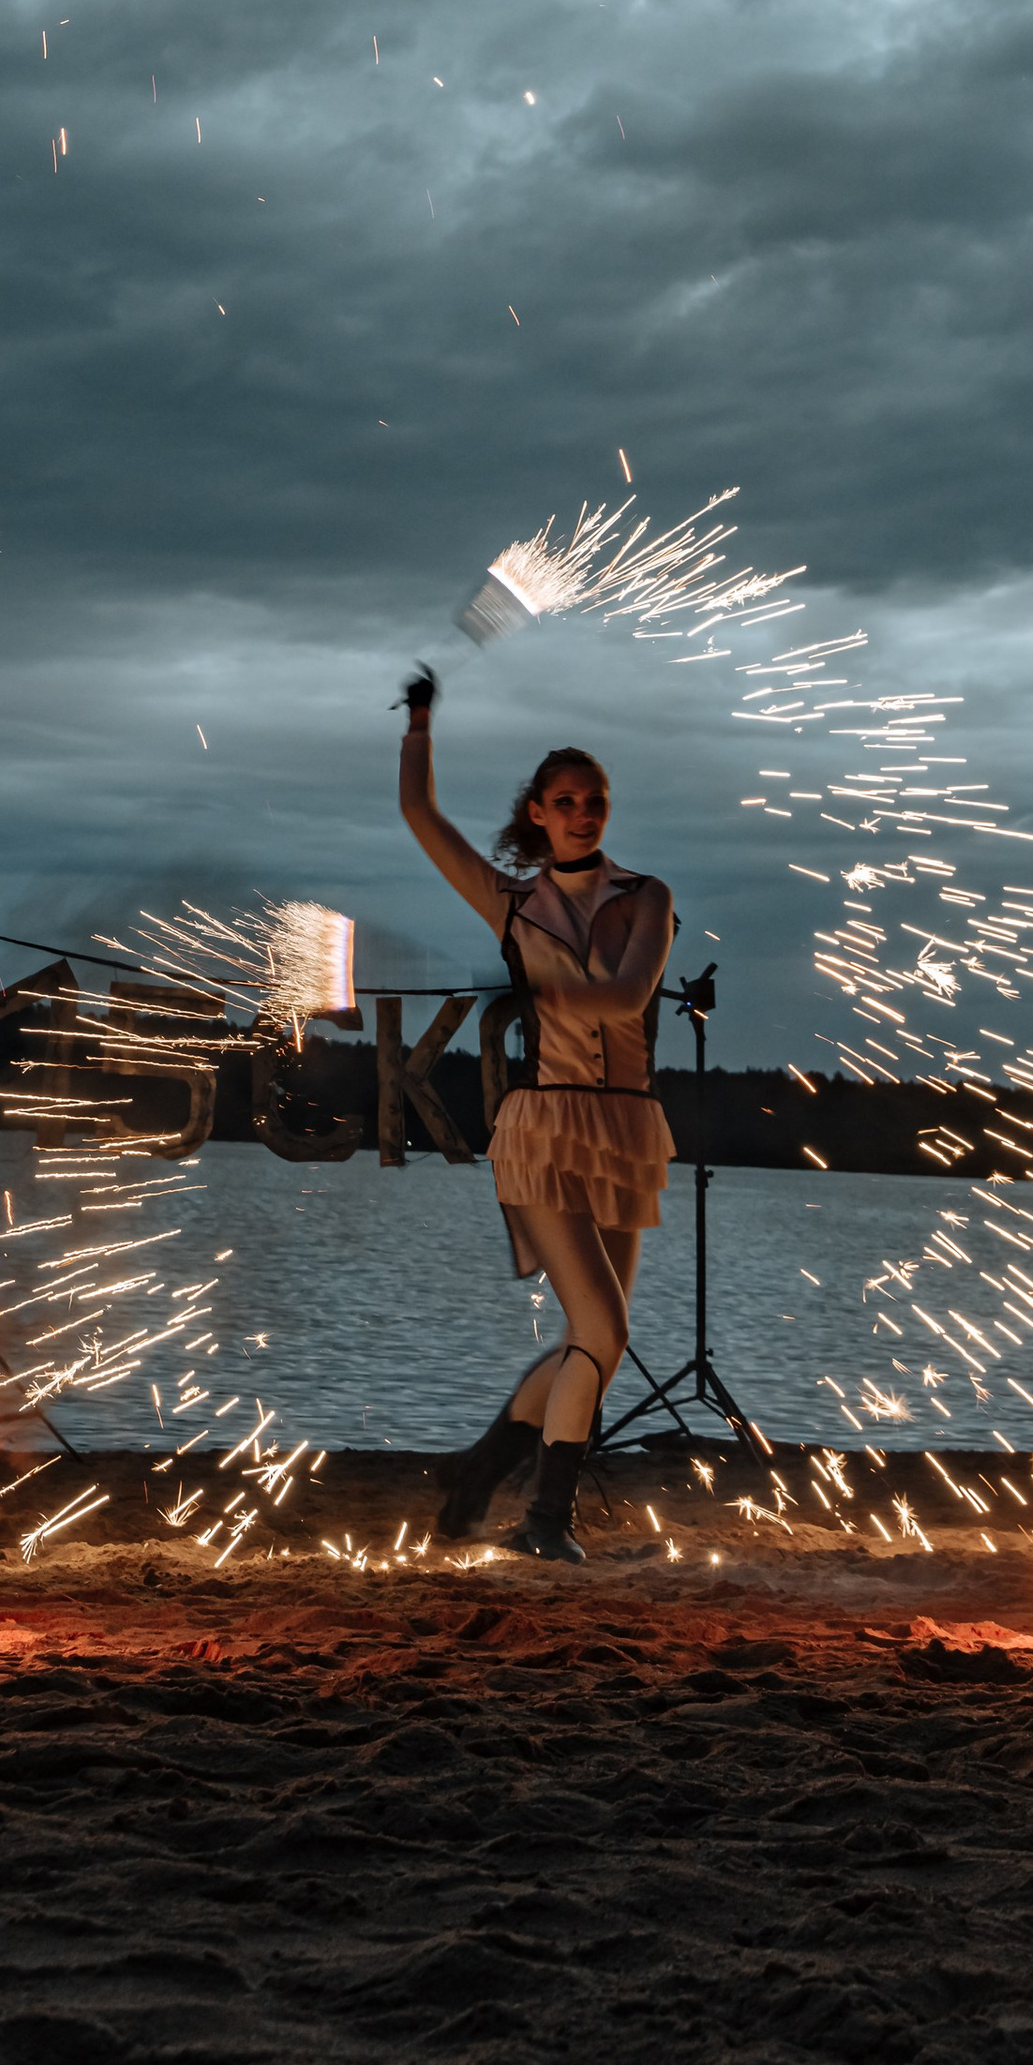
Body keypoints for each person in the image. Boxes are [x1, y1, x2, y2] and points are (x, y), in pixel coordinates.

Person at [397, 666, 674, 1560]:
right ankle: (545, 1523)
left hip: (627, 1125)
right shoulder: (511, 904)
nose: (585, 813)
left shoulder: (647, 897)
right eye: (566, 801)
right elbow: (421, 819)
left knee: (593, 1338)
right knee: (603, 1331)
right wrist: (420, 724)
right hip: (546, 1127)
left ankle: (476, 1477)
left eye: (595, 799)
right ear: (539, 816)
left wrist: (546, 985)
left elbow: (630, 997)